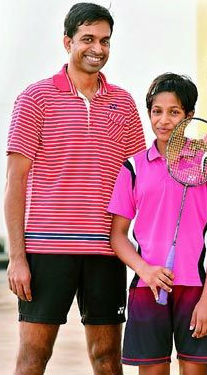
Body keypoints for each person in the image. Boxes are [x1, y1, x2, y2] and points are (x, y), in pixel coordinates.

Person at [4, 3, 145, 375]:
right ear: (67, 41)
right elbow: (14, 181)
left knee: (107, 360)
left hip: (105, 251)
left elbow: (141, 180)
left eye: (105, 40)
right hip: (46, 250)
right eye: (87, 38)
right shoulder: (35, 99)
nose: (97, 47)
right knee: (33, 359)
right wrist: (17, 258)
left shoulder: (125, 104)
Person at [108, 73, 207, 375]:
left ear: (189, 116)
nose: (163, 120)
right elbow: (118, 236)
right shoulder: (133, 168)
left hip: (195, 288)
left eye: (174, 112)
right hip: (147, 288)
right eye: (156, 111)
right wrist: (145, 270)